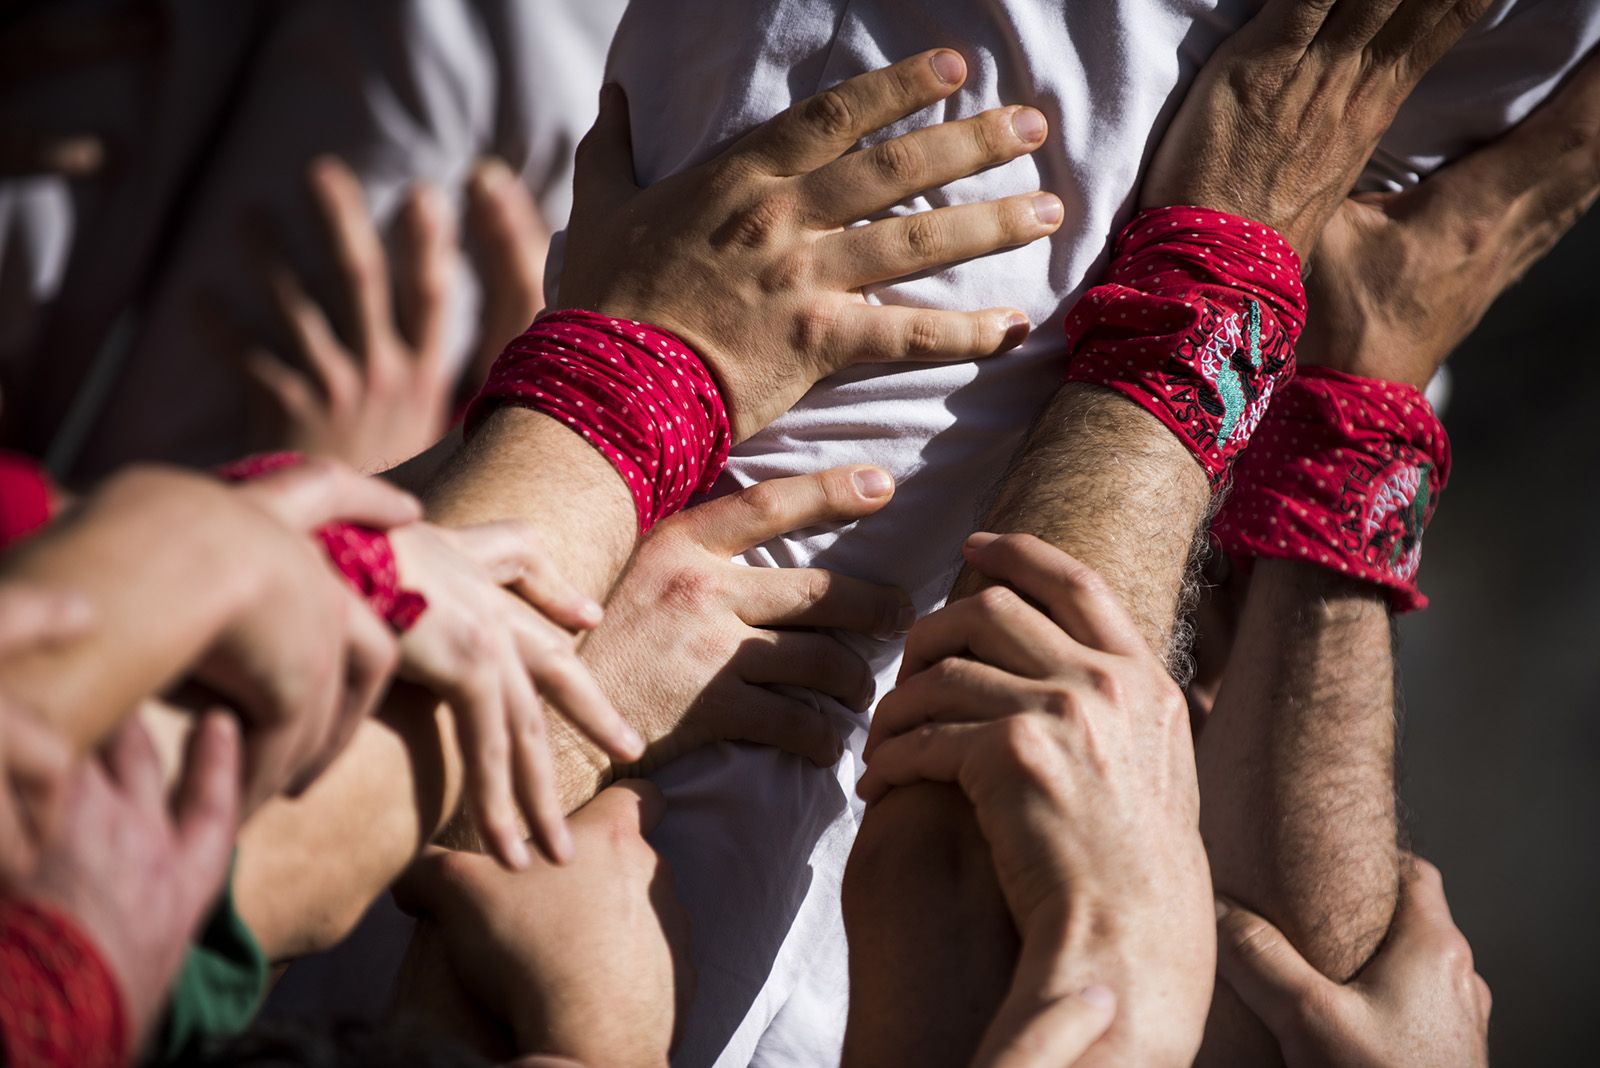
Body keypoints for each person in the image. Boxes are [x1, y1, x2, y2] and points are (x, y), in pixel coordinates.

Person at [504, 2, 1600, 1060]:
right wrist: (1347, 418)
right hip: (1211, 363)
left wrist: (627, 375)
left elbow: (988, 805)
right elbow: (1323, 1012)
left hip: (745, 520)